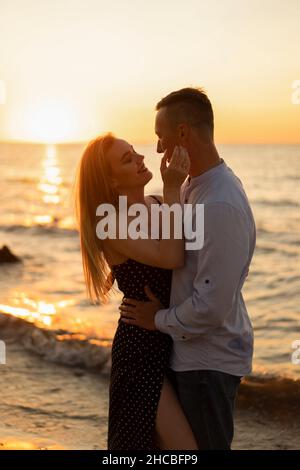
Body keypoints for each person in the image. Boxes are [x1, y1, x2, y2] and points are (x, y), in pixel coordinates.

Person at [119, 87, 256, 450]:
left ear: (182, 133)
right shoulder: (193, 187)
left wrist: (156, 320)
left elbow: (211, 306)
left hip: (207, 363)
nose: (159, 149)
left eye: (161, 137)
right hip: (189, 355)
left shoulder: (219, 203)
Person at [74, 133, 198, 450]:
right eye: (127, 160)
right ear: (112, 183)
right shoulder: (113, 225)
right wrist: (173, 186)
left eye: (134, 152)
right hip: (140, 351)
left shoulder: (158, 204)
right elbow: (172, 257)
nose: (141, 158)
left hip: (173, 338)